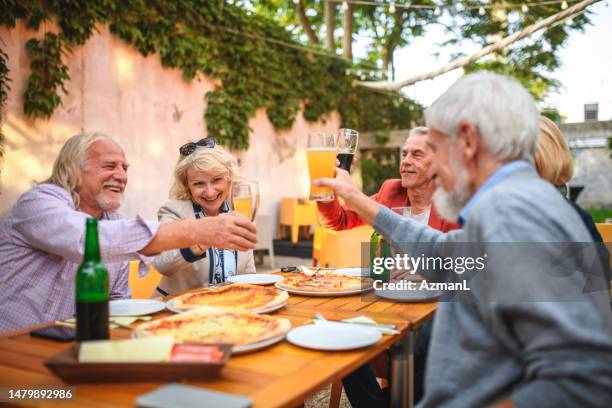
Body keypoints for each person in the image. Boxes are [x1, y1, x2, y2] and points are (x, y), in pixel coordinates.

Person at [316, 72, 612, 407]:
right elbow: (441, 253)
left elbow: (583, 378)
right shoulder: (513, 203)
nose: (436, 169)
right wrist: (355, 198)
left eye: (435, 149)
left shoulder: (510, 213)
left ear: (468, 141)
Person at [0, 132, 257, 333]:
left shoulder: (114, 222)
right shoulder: (39, 202)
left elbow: (118, 302)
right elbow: (86, 240)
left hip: (78, 346)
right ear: (74, 168)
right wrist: (201, 231)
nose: (121, 176)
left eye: (125, 168)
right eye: (110, 165)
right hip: (14, 347)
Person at [153, 139, 256, 295]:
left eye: (216, 180)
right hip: (177, 311)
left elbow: (249, 276)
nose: (210, 192)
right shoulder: (173, 211)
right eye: (199, 184)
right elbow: (162, 264)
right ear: (187, 185)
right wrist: (205, 237)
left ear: (228, 178)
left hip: (228, 310)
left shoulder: (239, 210)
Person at [317, 126, 458, 233]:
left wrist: (352, 193)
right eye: (404, 154)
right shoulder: (391, 192)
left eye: (417, 155)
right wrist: (327, 188)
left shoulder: (454, 206)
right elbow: (338, 221)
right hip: (388, 271)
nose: (406, 161)